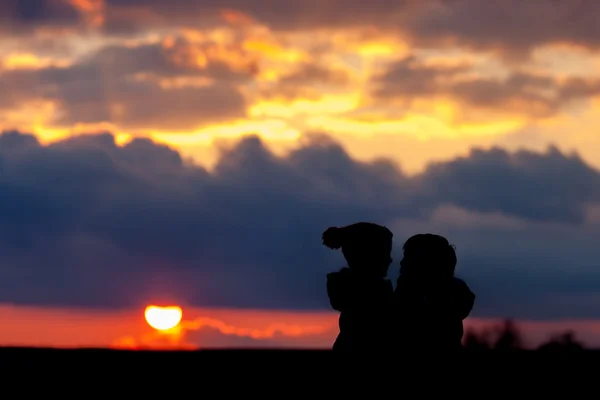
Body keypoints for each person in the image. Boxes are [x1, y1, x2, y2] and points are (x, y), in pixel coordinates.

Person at [393, 233, 475, 352]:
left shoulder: (418, 305)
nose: (401, 263)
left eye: (408, 258)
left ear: (425, 265)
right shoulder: (452, 299)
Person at [323, 222, 394, 352]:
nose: (390, 260)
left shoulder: (349, 294)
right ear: (367, 256)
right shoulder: (375, 298)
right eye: (384, 253)